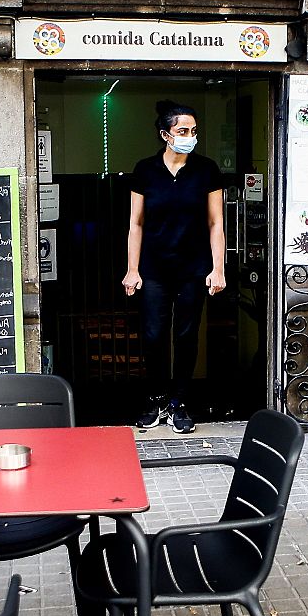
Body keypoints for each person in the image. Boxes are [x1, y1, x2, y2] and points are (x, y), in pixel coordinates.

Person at [122, 101, 225, 434]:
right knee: (153, 336)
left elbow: (216, 224)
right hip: (154, 267)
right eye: (182, 131)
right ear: (165, 134)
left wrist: (218, 268)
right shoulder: (145, 170)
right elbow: (135, 224)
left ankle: (179, 403)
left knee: (185, 336)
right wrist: (132, 269)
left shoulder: (206, 170)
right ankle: (155, 400)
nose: (189, 137)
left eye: (193, 132)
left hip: (194, 268)